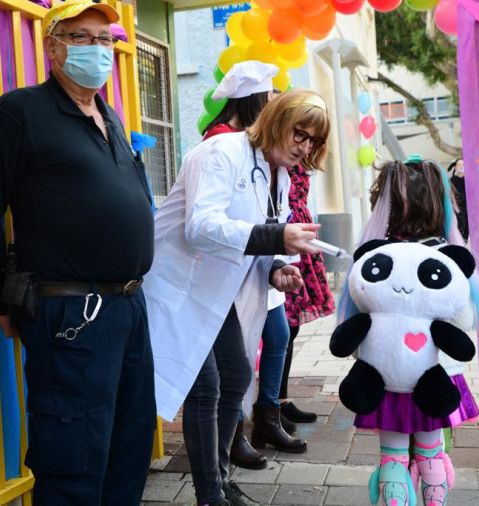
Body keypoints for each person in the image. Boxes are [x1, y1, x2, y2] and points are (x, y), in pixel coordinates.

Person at [0, 1, 156, 504]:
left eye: (104, 38)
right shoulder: (19, 112)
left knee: (127, 447)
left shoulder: (109, 116)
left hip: (129, 308)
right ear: (52, 46)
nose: (98, 48)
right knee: (74, 457)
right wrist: (2, 298)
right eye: (82, 37)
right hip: (72, 312)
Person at [144, 88, 331, 506]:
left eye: (314, 142)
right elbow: (201, 227)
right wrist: (275, 238)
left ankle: (221, 479)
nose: (305, 148)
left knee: (237, 377)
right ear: (278, 121)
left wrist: (279, 267)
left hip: (216, 290)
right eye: (300, 135)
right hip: (178, 286)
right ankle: (210, 494)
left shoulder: (279, 172)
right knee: (205, 385)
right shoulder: (220, 152)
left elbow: (265, 235)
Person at [334, 156, 479, 506]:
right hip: (436, 376)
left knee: (392, 455)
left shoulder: (376, 258)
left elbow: (356, 329)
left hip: (385, 378)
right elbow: (463, 323)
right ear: (441, 206)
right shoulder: (447, 260)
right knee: (432, 450)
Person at [202, 61, 307, 471]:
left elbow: (267, 212)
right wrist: (275, 242)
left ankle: (250, 429)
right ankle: (228, 447)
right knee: (227, 374)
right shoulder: (222, 145)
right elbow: (211, 224)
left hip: (257, 265)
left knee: (255, 354)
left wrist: (277, 256)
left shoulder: (258, 152)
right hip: (224, 273)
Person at [278, 162, 337, 428]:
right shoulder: (275, 157)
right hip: (283, 241)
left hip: (298, 239)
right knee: (280, 331)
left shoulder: (297, 157)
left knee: (290, 330)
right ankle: (270, 405)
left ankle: (280, 400)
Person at [448, 158, 468, 241]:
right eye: (459, 165)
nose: (461, 167)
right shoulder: (452, 180)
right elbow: (450, 194)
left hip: (468, 208)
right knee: (460, 227)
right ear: (455, 167)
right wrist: (455, 207)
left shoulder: (469, 180)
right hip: (458, 208)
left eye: (463, 165)